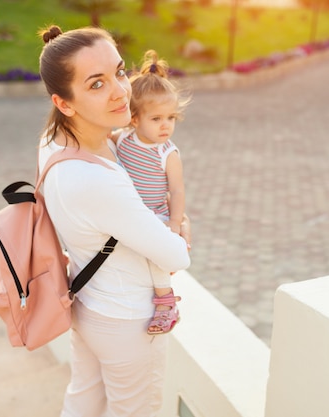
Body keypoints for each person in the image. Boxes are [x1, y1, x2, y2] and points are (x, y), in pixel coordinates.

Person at [36, 25, 191, 417]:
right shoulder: (96, 180)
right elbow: (175, 256)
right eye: (96, 84)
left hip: (86, 304)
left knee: (83, 401)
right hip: (128, 322)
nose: (121, 90)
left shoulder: (54, 143)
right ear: (64, 102)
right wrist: (181, 228)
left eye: (120, 72)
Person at [110, 49, 191, 335]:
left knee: (157, 254)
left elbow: (177, 190)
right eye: (156, 119)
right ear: (134, 119)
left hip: (156, 213)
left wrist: (175, 223)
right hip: (129, 212)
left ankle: (166, 302)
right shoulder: (123, 138)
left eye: (171, 117)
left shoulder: (168, 153)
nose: (166, 125)